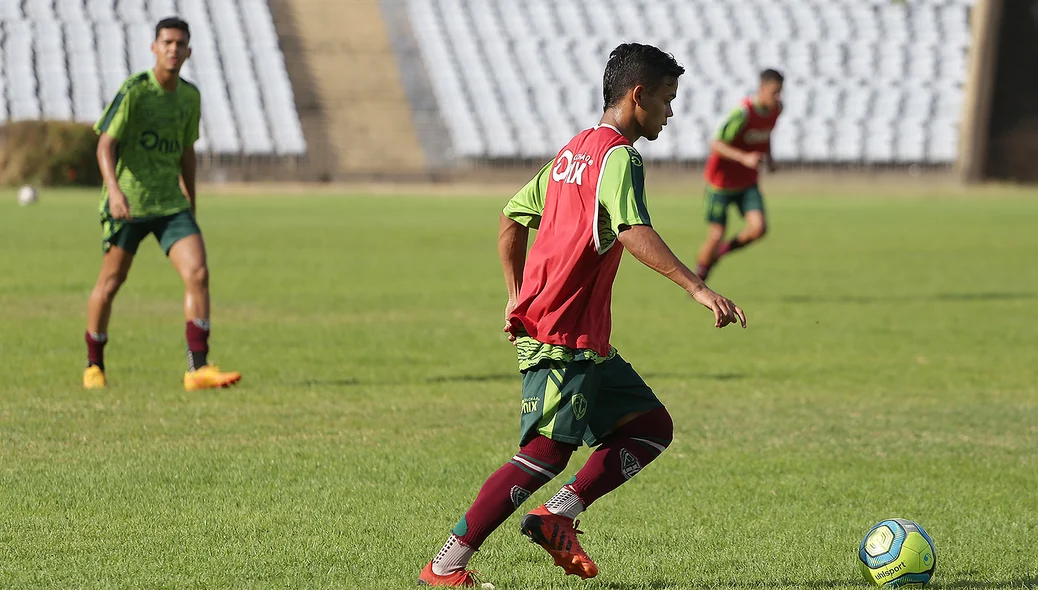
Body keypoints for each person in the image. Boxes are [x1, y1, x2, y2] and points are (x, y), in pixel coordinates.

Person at [418, 43, 747, 588]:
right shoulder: (620, 157)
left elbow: (510, 217)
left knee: (649, 427)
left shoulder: (573, 151)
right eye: (667, 100)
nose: (670, 113)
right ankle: (446, 565)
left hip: (583, 337)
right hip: (561, 334)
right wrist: (695, 287)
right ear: (637, 95)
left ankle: (557, 515)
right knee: (545, 453)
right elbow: (631, 229)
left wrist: (515, 292)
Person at [82, 17, 241, 391]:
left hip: (171, 205)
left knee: (198, 274)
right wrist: (115, 192)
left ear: (189, 51)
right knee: (110, 282)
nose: (173, 48)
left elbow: (187, 152)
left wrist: (192, 199)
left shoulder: (190, 97)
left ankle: (197, 368)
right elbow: (105, 145)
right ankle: (94, 364)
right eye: (166, 42)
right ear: (154, 47)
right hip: (130, 204)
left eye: (180, 43)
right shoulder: (136, 91)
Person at [695, 69, 784, 281]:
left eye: (780, 92)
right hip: (721, 184)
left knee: (759, 228)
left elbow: (765, 134)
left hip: (747, 182)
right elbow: (715, 144)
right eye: (774, 92)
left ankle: (722, 253)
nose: (778, 97)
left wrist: (769, 158)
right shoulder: (743, 113)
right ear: (761, 89)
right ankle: (698, 280)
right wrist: (744, 158)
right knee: (715, 235)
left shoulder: (776, 109)